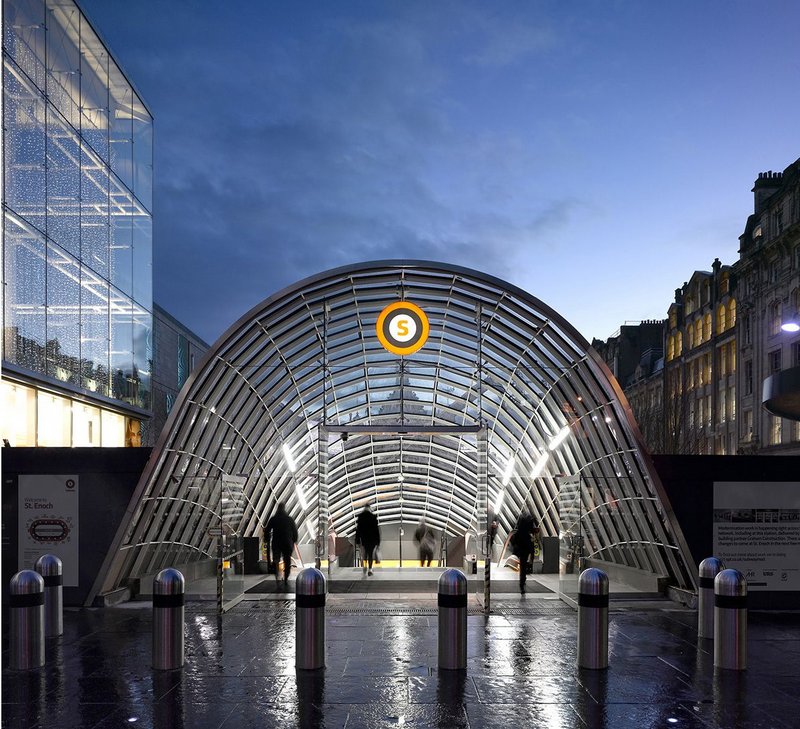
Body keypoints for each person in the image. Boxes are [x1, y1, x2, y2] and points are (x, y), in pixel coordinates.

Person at [264, 501, 299, 589]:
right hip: (287, 543)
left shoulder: (274, 519)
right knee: (287, 561)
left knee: (276, 559)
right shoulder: (289, 519)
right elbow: (295, 531)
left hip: (276, 543)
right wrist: (294, 540)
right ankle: (286, 578)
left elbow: (267, 530)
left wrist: (267, 539)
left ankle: (277, 577)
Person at [512, 509, 536, 593]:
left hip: (521, 547)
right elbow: (532, 531)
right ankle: (523, 581)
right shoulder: (530, 522)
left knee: (522, 564)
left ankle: (522, 582)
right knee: (524, 564)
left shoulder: (521, 523)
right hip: (526, 546)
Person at [355, 504, 381, 576]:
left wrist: (357, 539)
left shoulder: (361, 517)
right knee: (370, 554)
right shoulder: (373, 517)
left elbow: (358, 529)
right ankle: (370, 569)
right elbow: (376, 530)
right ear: (370, 508)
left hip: (364, 539)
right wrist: (378, 541)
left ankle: (365, 566)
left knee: (364, 553)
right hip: (372, 539)